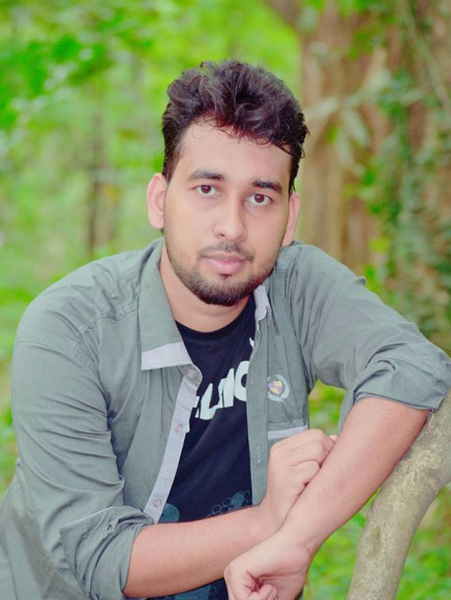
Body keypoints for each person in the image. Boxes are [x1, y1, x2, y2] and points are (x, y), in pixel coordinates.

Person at [0, 60, 449, 600]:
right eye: (207, 188)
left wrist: (297, 538)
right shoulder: (70, 329)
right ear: (159, 200)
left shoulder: (298, 286)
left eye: (260, 197)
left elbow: (412, 370)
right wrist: (269, 520)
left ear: (290, 217)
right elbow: (102, 560)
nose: (232, 227)